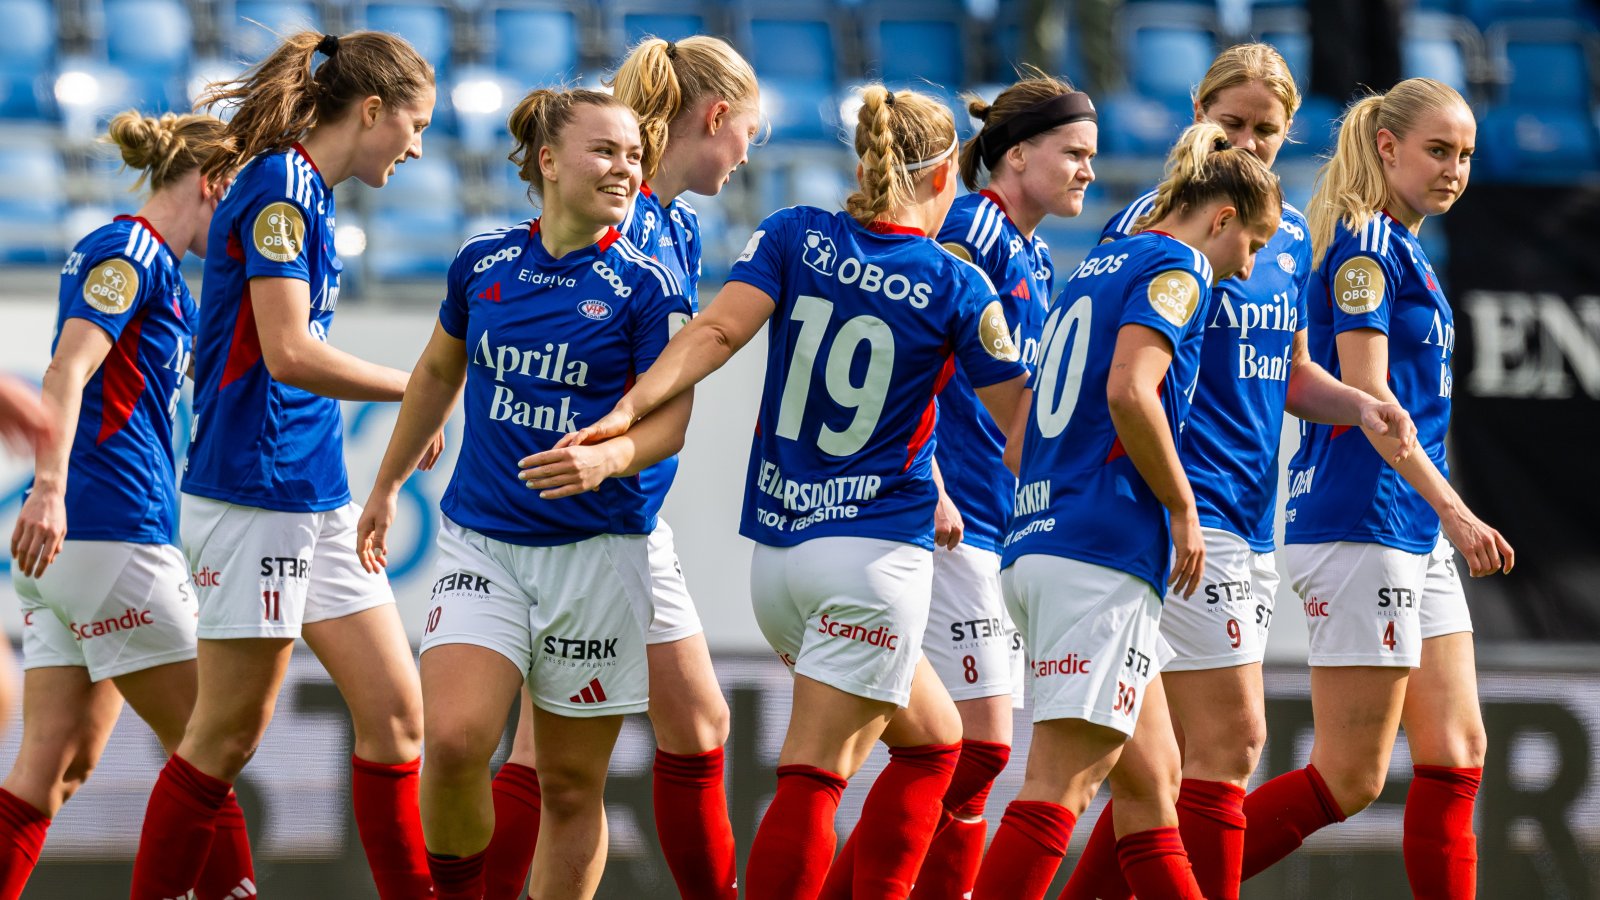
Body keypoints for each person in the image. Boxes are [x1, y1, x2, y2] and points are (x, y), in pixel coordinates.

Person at [557, 84, 1031, 900]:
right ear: (947, 172)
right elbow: (1023, 427)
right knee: (816, 778)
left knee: (935, 743)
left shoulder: (794, 234)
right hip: (875, 557)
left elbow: (711, 334)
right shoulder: (957, 284)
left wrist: (628, 408)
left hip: (777, 562)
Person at [1060, 44, 1417, 900]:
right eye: (1231, 123)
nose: (1246, 144)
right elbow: (1129, 369)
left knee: (1163, 774)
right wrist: (1178, 500)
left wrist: (1361, 404)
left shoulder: (1285, 232)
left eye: (1265, 130)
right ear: (1197, 111)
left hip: (1254, 518)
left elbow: (1289, 373)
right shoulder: (1166, 219)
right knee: (1232, 748)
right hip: (1191, 509)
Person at [356, 86, 694, 900]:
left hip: (597, 555)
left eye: (635, 155)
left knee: (572, 787)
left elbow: (673, 422)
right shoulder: (483, 262)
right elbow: (439, 369)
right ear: (548, 161)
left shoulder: (648, 286)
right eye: (604, 151)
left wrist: (607, 461)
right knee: (458, 740)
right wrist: (388, 482)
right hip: (486, 544)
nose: (625, 169)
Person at [128, 31, 442, 900]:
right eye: (413, 125)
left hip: (315, 495)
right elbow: (290, 352)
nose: (418, 148)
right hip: (256, 492)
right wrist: (420, 389)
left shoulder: (303, 190)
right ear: (371, 110)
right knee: (225, 736)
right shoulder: (280, 188)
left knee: (396, 718)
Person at [969, 121, 1285, 900]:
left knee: (1152, 786)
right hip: (1099, 554)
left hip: (1041, 541)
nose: (1250, 264)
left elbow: (1024, 435)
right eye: (1252, 242)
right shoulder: (1179, 266)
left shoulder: (1099, 261)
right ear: (1220, 219)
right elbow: (1129, 391)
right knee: (1057, 789)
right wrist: (1181, 505)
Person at [484, 34, 760, 900]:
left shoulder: (669, 221)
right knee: (568, 759)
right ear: (715, 117)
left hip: (626, 513)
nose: (749, 153)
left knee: (676, 732)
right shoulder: (621, 213)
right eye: (746, 131)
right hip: (588, 525)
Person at [818, 70, 1099, 900]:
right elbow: (908, 353)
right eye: (1074, 152)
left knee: (970, 754)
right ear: (1015, 155)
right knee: (970, 748)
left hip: (993, 518)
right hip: (946, 515)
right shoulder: (970, 226)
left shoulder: (1033, 250)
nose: (1089, 168)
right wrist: (930, 477)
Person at [1241, 77, 1513, 900]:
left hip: (1406, 525)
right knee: (1349, 777)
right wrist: (1458, 512)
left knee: (1458, 752)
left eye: (1464, 154)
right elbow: (1373, 406)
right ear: (1387, 147)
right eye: (1438, 150)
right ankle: (1150, 880)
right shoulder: (1363, 246)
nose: (1454, 170)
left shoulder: (1402, 244)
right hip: (1365, 521)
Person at [1, 110, 256, 900]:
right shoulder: (131, 251)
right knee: (213, 747)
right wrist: (49, 489)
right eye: (240, 204)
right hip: (110, 533)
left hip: (80, 558)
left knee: (55, 769)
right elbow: (66, 372)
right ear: (213, 185)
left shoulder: (160, 272)